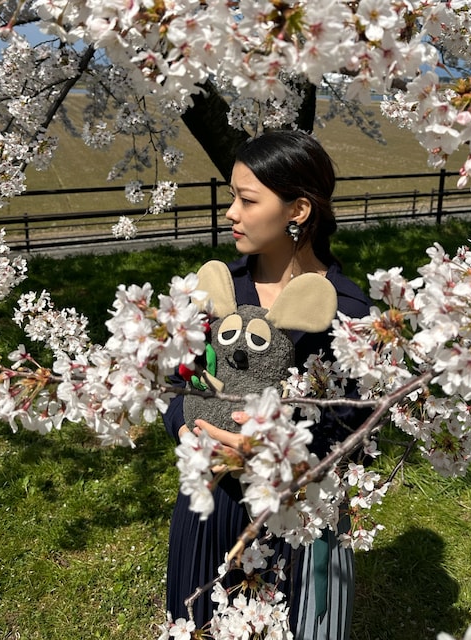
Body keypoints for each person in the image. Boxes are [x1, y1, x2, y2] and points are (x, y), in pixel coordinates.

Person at [162, 129, 371, 638]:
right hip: (212, 505)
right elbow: (176, 382)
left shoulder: (347, 311)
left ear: (298, 210)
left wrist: (278, 451)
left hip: (296, 515)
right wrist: (186, 430)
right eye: (232, 196)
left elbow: (359, 431)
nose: (230, 212)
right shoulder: (215, 290)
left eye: (247, 199)